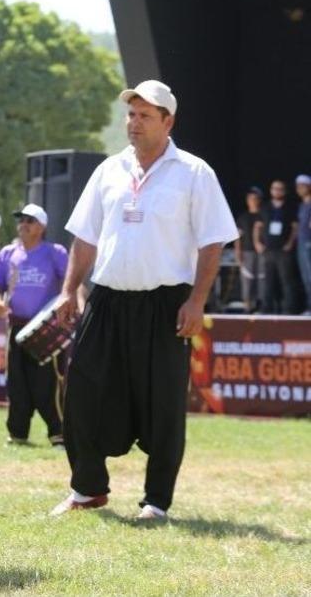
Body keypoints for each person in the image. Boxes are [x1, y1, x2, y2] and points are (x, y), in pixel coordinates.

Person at [51, 80, 237, 520]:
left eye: (144, 116)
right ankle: (87, 489)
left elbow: (213, 243)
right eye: (130, 115)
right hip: (107, 300)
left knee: (165, 404)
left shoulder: (194, 173)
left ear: (167, 121)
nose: (133, 123)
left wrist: (196, 301)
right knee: (81, 394)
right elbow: (84, 237)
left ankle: (156, 502)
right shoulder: (108, 170)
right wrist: (68, 291)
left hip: (166, 304)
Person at [0, 203, 68, 446]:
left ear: (42, 226)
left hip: (46, 328)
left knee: (49, 382)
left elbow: (70, 284)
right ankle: (17, 435)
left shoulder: (55, 252)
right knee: (17, 384)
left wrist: (68, 308)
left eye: (29, 220)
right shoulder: (7, 253)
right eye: (21, 220)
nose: (23, 224)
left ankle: (59, 434)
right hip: (16, 326)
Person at [255, 179, 299, 314]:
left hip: (283, 250)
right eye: (275, 188)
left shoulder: (290, 208)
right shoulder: (265, 207)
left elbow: (295, 227)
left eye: (280, 189)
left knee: (287, 280)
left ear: (284, 191)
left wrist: (290, 243)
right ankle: (266, 309)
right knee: (267, 281)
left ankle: (289, 310)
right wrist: (257, 243)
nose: (277, 191)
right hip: (268, 250)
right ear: (271, 190)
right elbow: (257, 226)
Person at [234, 187, 265, 313]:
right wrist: (238, 252)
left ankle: (261, 305)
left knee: (262, 279)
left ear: (259, 200)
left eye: (255, 198)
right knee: (247, 279)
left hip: (262, 253)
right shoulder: (242, 217)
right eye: (250, 198)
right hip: (247, 252)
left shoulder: (264, 215)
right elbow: (237, 237)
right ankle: (248, 306)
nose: (252, 201)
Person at [296, 175, 311, 314]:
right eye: (298, 186)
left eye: (302, 186)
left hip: (309, 244)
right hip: (301, 244)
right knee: (306, 277)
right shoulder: (302, 205)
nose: (299, 189)